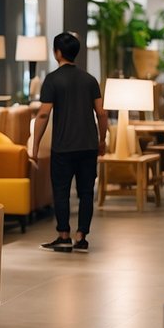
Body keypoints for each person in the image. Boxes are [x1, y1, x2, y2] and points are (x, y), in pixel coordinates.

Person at [32, 32, 108, 253]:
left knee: (61, 191)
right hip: (88, 145)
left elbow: (44, 115)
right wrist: (102, 140)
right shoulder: (90, 80)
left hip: (63, 148)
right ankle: (81, 237)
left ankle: (63, 236)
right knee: (86, 192)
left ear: (57, 53)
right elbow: (101, 114)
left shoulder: (53, 80)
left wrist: (35, 146)